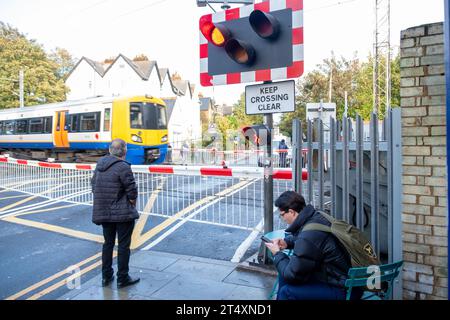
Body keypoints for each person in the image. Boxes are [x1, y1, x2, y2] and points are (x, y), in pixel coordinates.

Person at [265, 191, 361, 300]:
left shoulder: (308, 236)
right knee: (285, 274)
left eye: (282, 215)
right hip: (338, 278)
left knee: (286, 292)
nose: (282, 218)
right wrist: (287, 242)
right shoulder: (317, 216)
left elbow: (292, 275)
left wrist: (277, 254)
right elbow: (310, 239)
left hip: (342, 289)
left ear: (291, 212)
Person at [91, 139, 140, 289]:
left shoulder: (99, 166)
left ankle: (106, 277)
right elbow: (131, 190)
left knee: (108, 244)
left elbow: (93, 185)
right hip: (122, 214)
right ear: (124, 151)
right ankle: (122, 278)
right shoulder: (123, 167)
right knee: (124, 246)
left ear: (110, 150)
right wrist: (132, 202)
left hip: (104, 212)